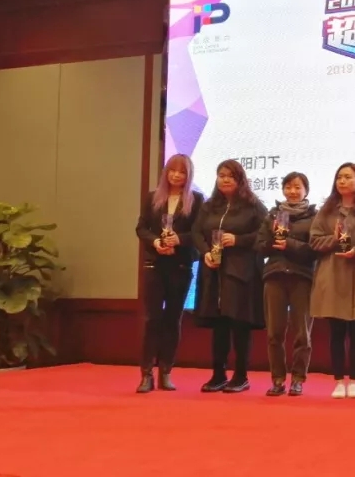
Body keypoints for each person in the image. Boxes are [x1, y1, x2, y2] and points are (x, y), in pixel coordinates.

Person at [191, 159, 268, 393]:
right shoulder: (209, 206)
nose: (225, 179)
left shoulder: (253, 206)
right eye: (221, 175)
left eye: (230, 176)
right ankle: (218, 374)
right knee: (219, 324)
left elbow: (264, 234)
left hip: (241, 273)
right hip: (213, 272)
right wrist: (205, 252)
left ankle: (241, 375)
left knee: (239, 324)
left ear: (240, 179)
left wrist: (238, 240)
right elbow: (196, 232)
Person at [310, 163, 355, 399]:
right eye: (339, 177)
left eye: (348, 177)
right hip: (332, 274)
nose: (342, 181)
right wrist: (334, 240)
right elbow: (314, 240)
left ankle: (354, 380)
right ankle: (339, 380)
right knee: (337, 332)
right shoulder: (327, 210)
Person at [133, 153, 203, 393]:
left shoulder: (197, 200)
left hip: (180, 266)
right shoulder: (152, 197)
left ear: (188, 175)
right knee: (151, 319)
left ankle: (166, 371)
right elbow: (141, 228)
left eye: (182, 172)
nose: (176, 175)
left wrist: (179, 240)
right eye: (172, 170)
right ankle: (146, 374)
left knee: (173, 319)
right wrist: (156, 242)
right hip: (155, 265)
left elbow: (199, 233)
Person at [255, 172, 318, 397]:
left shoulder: (315, 217)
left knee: (303, 333)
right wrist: (274, 241)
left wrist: (289, 243)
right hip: (275, 276)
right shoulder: (272, 215)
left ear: (306, 191)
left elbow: (315, 249)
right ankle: (278, 379)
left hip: (302, 277)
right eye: (288, 187)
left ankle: (298, 379)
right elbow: (259, 246)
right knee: (274, 332)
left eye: (297, 187)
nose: (292, 191)